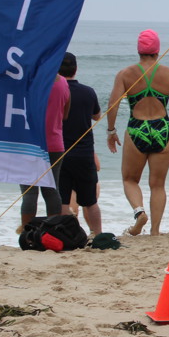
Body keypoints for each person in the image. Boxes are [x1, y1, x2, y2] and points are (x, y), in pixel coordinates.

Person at [107, 29, 169, 234]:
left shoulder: (125, 74)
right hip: (162, 129)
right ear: (157, 50)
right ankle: (155, 230)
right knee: (158, 184)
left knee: (130, 179)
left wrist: (111, 131)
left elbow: (112, 105)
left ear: (139, 50)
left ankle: (139, 212)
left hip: (137, 128)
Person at [58, 52, 103, 235]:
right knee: (90, 201)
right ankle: (97, 235)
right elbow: (97, 116)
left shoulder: (53, 92)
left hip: (59, 152)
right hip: (84, 153)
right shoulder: (88, 92)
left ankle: (65, 235)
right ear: (75, 69)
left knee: (62, 201)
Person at [18, 75, 69, 232]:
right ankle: (52, 231)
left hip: (29, 142)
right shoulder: (62, 82)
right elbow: (65, 115)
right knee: (51, 189)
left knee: (29, 192)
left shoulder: (29, 81)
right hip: (55, 142)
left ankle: (27, 232)